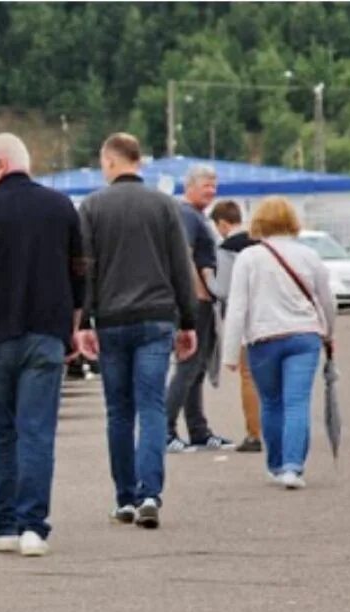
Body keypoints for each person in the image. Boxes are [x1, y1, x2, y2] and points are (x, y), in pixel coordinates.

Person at [0, 133, 84, 557]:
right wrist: (73, 329)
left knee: (1, 433)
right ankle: (34, 529)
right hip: (46, 335)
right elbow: (79, 277)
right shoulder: (61, 208)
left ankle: (4, 525)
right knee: (37, 433)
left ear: (2, 164)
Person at [75, 133, 198, 529]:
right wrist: (189, 321)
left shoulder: (92, 207)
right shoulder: (165, 206)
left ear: (110, 162)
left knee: (118, 412)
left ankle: (125, 498)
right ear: (139, 161)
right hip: (157, 317)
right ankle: (150, 495)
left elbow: (84, 270)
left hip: (111, 320)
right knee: (152, 408)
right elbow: (182, 266)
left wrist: (82, 322)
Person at [221, 196, 334, 490]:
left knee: (271, 403)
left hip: (263, 339)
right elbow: (327, 300)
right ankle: (293, 468)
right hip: (304, 336)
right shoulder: (308, 255)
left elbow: (237, 307)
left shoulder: (249, 257)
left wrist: (231, 353)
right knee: (297, 403)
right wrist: (328, 334)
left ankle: (275, 464)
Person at [165, 165, 235, 453]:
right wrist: (198, 294)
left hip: (204, 301)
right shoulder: (186, 216)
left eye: (215, 185)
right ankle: (165, 430)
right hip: (196, 302)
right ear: (190, 186)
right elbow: (184, 256)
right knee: (188, 366)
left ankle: (198, 430)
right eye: (207, 185)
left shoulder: (198, 217)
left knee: (198, 368)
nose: (212, 190)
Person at [210, 200, 263, 453]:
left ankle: (254, 433)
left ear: (222, 223)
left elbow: (223, 289)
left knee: (249, 376)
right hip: (269, 316)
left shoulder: (227, 247)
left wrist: (205, 277)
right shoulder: (261, 242)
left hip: (244, 320)